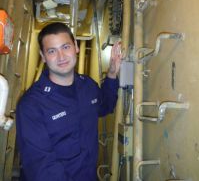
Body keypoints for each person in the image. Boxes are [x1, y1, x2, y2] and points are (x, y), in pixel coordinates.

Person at [16, 22, 121, 181]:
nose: (61, 57)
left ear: (76, 47)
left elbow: (105, 105)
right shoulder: (31, 105)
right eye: (52, 51)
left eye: (65, 47)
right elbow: (42, 167)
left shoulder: (87, 86)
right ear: (43, 56)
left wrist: (112, 73)